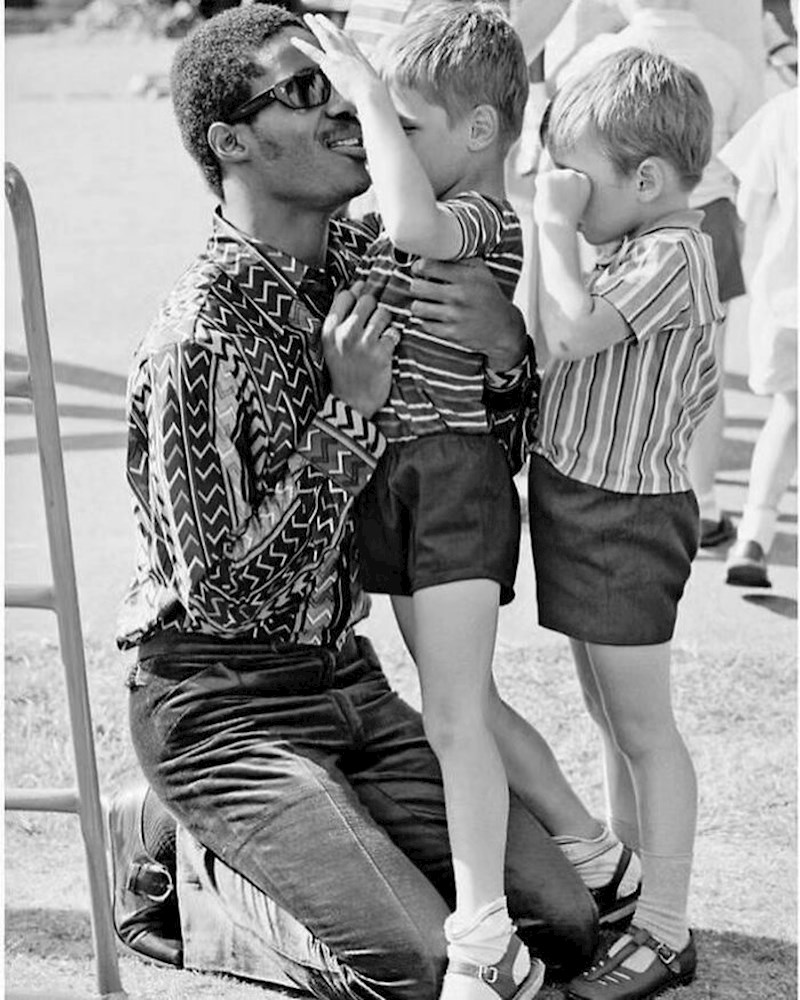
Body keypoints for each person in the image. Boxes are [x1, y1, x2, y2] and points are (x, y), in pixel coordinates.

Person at [108, 5, 603, 998]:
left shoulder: (377, 260)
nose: (345, 110)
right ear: (231, 142)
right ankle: (185, 855)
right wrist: (347, 418)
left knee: (565, 922)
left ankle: (310, 835)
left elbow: (475, 453)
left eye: (340, 85)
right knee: (421, 968)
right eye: (304, 92)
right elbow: (227, 597)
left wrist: (505, 354)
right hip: (220, 707)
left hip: (348, 683)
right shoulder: (197, 338)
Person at [291, 7, 637, 998]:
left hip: (452, 481)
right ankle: (591, 850)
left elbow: (410, 226)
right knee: (465, 702)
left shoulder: (482, 216)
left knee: (451, 713)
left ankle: (482, 931)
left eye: (406, 126)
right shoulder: (410, 210)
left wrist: (368, 95)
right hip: (399, 477)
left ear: (480, 130)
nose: (383, 143)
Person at [530, 48, 724, 1000]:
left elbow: (571, 331)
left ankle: (666, 929)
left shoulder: (672, 254)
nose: (566, 194)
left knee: (645, 730)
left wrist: (547, 223)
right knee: (612, 720)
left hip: (626, 518)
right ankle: (634, 886)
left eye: (580, 178)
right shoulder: (631, 247)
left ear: (645, 180)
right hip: (589, 505)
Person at [554, 0, 760, 548]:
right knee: (699, 365)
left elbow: (557, 98)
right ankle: (706, 496)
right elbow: (747, 144)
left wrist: (554, 225)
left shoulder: (602, 53)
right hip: (711, 210)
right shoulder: (726, 57)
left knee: (624, 353)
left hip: (627, 213)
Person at [720, 81, 797, 588]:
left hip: (788, 296)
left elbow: (747, 206)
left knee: (788, 414)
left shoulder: (784, 111)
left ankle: (754, 534)